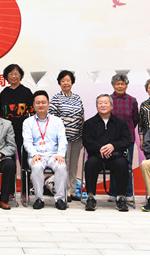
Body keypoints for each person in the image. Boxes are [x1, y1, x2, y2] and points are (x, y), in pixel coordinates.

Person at [82, 94, 131, 212]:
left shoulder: (121, 123)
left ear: (111, 106)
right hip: (97, 156)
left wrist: (113, 146)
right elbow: (87, 141)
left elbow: (126, 140)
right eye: (100, 103)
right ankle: (91, 197)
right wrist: (100, 148)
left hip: (116, 156)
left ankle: (121, 197)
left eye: (106, 103)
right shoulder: (89, 123)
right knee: (90, 163)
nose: (103, 105)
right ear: (96, 106)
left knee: (122, 164)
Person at [23, 91, 68, 210]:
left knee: (61, 166)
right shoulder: (28, 122)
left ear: (48, 104)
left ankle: (60, 199)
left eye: (43, 102)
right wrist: (34, 154)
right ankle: (39, 198)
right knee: (37, 166)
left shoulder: (57, 121)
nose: (41, 105)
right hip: (37, 154)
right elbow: (27, 142)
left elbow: (62, 139)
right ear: (33, 105)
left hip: (54, 154)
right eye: (38, 103)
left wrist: (60, 154)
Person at [0, 63, 34, 204]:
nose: (14, 76)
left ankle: (25, 191)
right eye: (11, 74)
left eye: (16, 73)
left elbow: (32, 113)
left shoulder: (26, 92)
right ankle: (10, 192)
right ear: (6, 77)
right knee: (9, 163)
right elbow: (1, 115)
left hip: (24, 132)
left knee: (25, 163)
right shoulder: (4, 93)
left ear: (20, 76)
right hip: (7, 133)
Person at [48, 70, 84, 202]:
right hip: (62, 139)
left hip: (77, 137)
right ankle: (63, 192)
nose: (66, 83)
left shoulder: (77, 98)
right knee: (64, 165)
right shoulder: (56, 98)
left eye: (68, 80)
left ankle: (72, 191)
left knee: (74, 165)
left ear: (72, 82)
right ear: (59, 83)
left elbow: (82, 117)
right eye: (63, 81)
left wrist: (82, 136)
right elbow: (52, 120)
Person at [108, 73, 138, 198]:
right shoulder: (108, 99)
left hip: (128, 138)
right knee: (113, 164)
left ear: (126, 86)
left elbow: (135, 119)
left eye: (122, 84)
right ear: (113, 85)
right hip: (111, 139)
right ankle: (113, 193)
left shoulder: (132, 100)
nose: (120, 86)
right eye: (117, 84)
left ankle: (128, 193)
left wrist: (125, 131)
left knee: (127, 165)